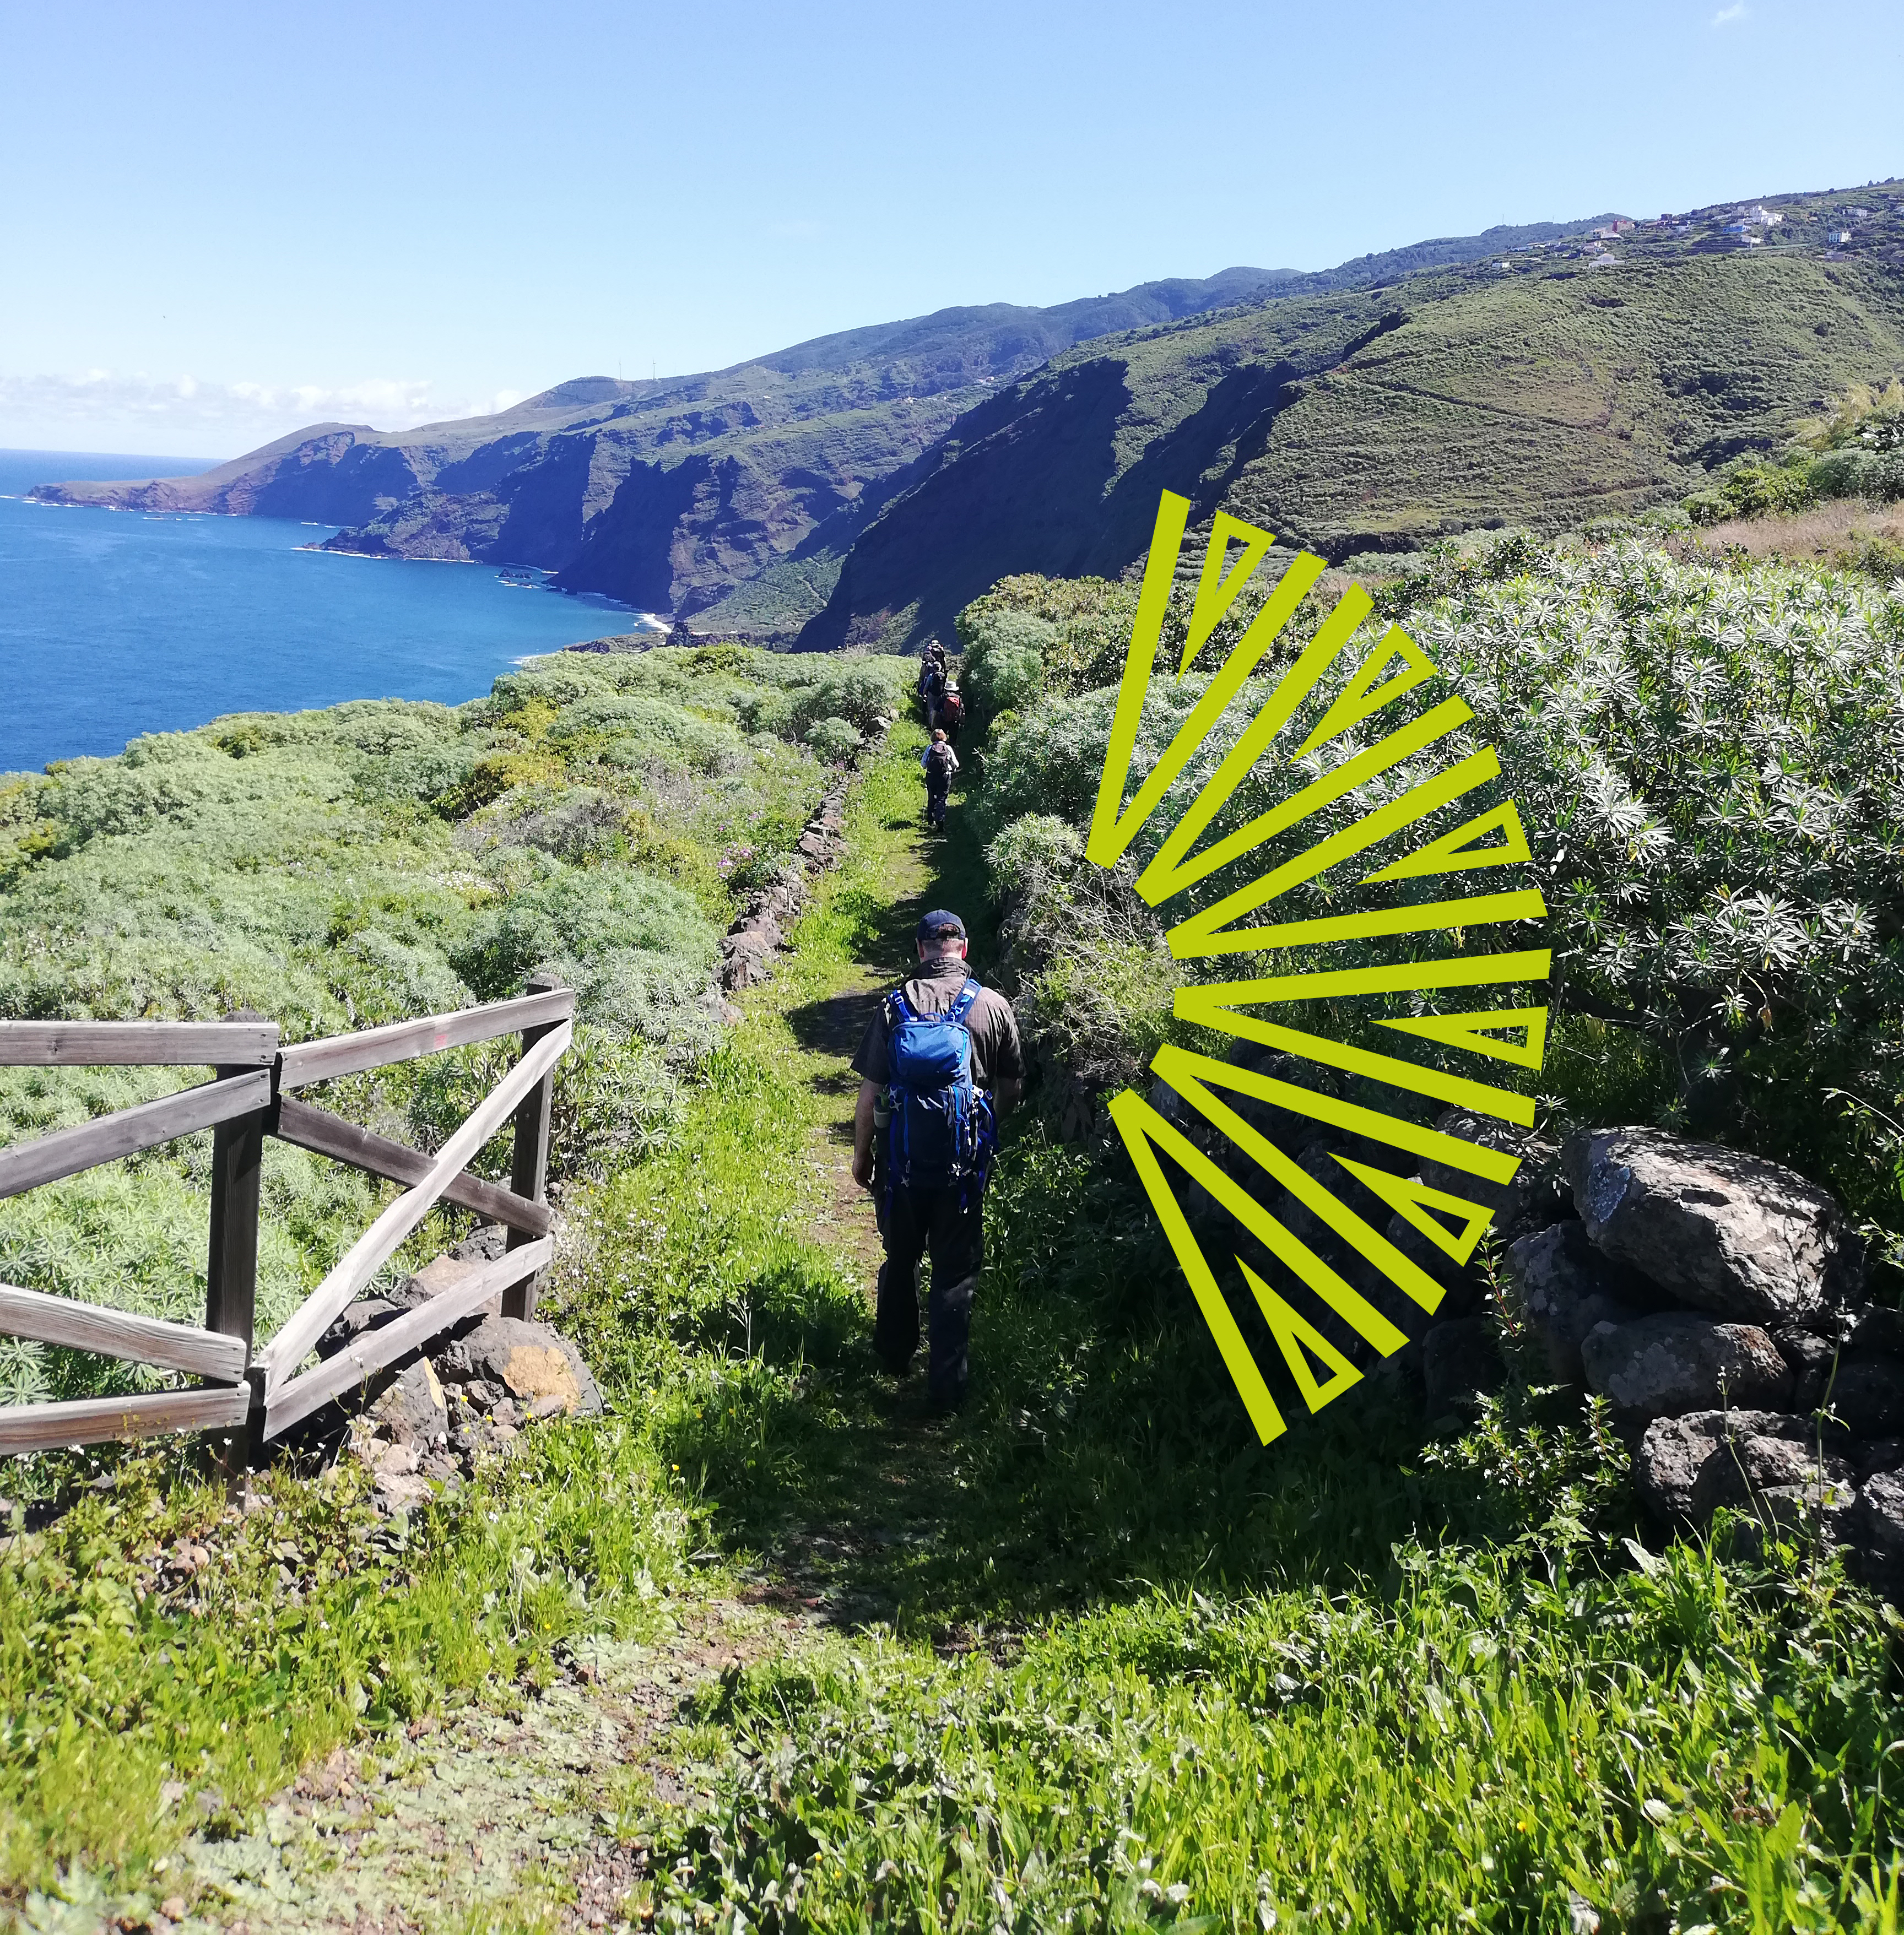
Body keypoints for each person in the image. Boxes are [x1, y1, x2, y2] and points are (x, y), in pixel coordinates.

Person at [851, 909, 1024, 1409]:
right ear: (963, 949)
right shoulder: (992, 1006)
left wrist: (863, 1156)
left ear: (921, 951)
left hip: (902, 1168)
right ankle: (947, 1387)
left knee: (900, 1259)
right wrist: (986, 1130)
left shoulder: (894, 1006)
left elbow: (870, 1094)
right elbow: (1013, 1085)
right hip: (964, 1171)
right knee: (954, 1272)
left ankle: (893, 1355)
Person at [921, 728, 959, 828]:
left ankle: (930, 819)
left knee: (932, 796)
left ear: (932, 737)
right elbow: (956, 764)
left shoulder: (930, 748)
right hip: (944, 776)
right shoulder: (948, 748)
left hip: (931, 775)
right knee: (942, 798)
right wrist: (952, 768)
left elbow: (923, 764)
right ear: (944, 737)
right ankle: (940, 821)